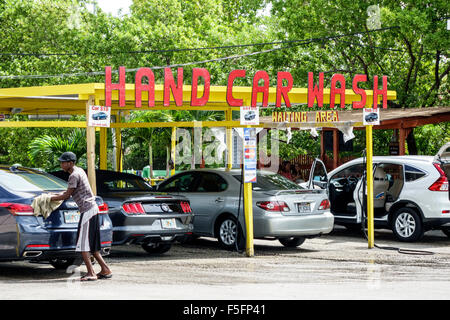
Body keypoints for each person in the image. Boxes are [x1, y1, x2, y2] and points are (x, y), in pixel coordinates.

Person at [50, 152, 112, 281]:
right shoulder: (80, 171)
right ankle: (105, 270)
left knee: (83, 245)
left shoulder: (74, 175)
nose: (61, 164)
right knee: (92, 245)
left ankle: (91, 273)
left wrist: (49, 198)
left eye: (64, 162)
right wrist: (58, 194)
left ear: (71, 163)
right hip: (92, 209)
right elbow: (69, 191)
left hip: (87, 210)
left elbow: (67, 195)